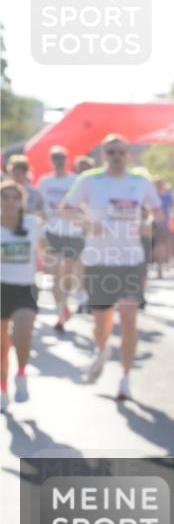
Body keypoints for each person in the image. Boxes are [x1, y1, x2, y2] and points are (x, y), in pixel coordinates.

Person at [63, 134, 163, 400]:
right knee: (102, 322)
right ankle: (101, 347)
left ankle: (126, 378)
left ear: (128, 155)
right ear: (104, 155)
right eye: (111, 152)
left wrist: (149, 221)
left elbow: (157, 210)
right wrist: (86, 223)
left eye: (121, 152)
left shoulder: (140, 182)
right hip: (99, 260)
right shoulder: (90, 180)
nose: (117, 156)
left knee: (129, 319)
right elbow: (66, 209)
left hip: (131, 260)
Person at [1, 181, 44, 413]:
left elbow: (46, 247)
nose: (9, 202)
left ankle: (21, 374)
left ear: (21, 201)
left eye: (14, 197)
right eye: (4, 197)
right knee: (1, 346)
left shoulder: (31, 223)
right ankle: (2, 387)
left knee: (22, 335)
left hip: (24, 289)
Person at [37, 146, 84, 331]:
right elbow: (39, 205)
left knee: (68, 274)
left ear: (67, 160)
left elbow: (83, 204)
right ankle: (61, 311)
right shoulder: (44, 181)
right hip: (52, 232)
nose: (59, 161)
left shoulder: (76, 180)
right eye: (55, 158)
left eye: (62, 158)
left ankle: (66, 301)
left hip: (73, 233)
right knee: (54, 274)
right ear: (51, 161)